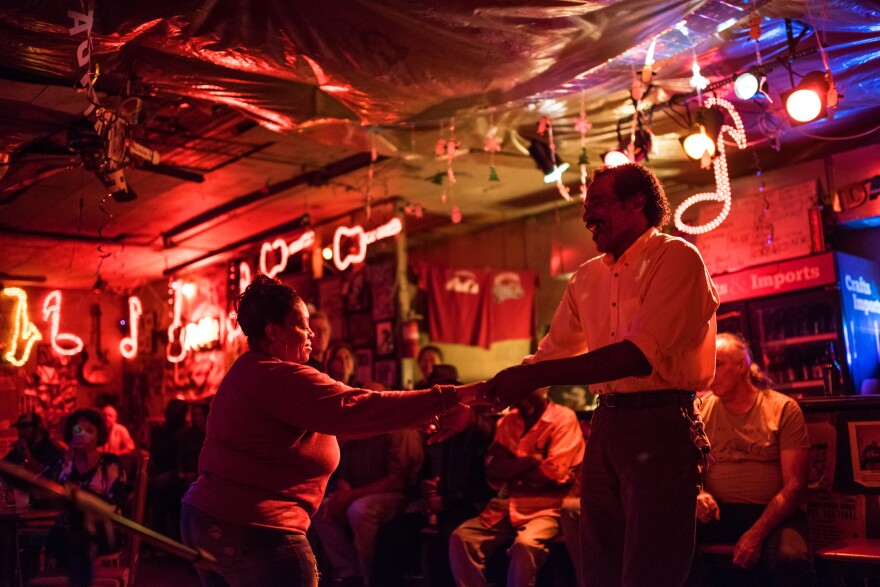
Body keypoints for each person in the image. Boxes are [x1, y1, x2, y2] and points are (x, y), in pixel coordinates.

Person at [483, 163, 719, 587]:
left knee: (652, 568)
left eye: (598, 202)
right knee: (599, 565)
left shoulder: (677, 257)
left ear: (636, 204)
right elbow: (548, 356)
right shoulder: (586, 276)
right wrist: (475, 400)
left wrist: (529, 378)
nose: (587, 215)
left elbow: (636, 357)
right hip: (607, 421)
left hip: (663, 422)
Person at [180, 274, 487, 587]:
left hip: (212, 519)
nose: (312, 333)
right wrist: (454, 397)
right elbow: (357, 407)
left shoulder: (250, 371)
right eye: (302, 324)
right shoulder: (281, 377)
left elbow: (339, 423)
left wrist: (411, 418)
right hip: (253, 526)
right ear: (273, 332)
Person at [687, 333, 815, 586]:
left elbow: (795, 486)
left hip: (774, 515)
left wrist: (756, 534)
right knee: (665, 545)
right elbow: (685, 465)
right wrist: (698, 494)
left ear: (742, 365)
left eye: (718, 365)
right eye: (708, 366)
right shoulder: (701, 409)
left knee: (790, 560)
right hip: (718, 513)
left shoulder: (783, 409)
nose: (711, 374)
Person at [371, 365, 496, 587]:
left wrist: (444, 502)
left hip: (468, 507)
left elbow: (483, 487)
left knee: (446, 540)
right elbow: (424, 474)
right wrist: (424, 487)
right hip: (437, 507)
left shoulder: (478, 427)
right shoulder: (436, 428)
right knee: (390, 534)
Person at [449, 387, 584, 587]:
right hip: (507, 504)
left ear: (544, 389)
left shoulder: (563, 418)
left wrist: (511, 467)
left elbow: (552, 474)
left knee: (524, 545)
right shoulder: (507, 421)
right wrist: (531, 460)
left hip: (547, 508)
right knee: (462, 538)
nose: (521, 400)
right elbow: (493, 470)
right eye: (519, 394)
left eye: (528, 391)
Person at [311, 401, 424, 585]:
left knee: (359, 510)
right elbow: (345, 472)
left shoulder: (400, 430)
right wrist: (343, 494)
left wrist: (350, 496)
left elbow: (398, 481)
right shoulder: (359, 430)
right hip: (360, 494)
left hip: (398, 496)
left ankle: (370, 574)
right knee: (321, 510)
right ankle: (348, 572)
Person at [41, 409, 128, 585]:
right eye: (78, 430)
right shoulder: (64, 463)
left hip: (102, 528)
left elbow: (115, 502)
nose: (83, 435)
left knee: (67, 537)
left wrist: (78, 497)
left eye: (90, 430)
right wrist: (68, 459)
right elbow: (41, 488)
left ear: (99, 435)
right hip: (66, 529)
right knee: (40, 539)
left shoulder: (110, 463)